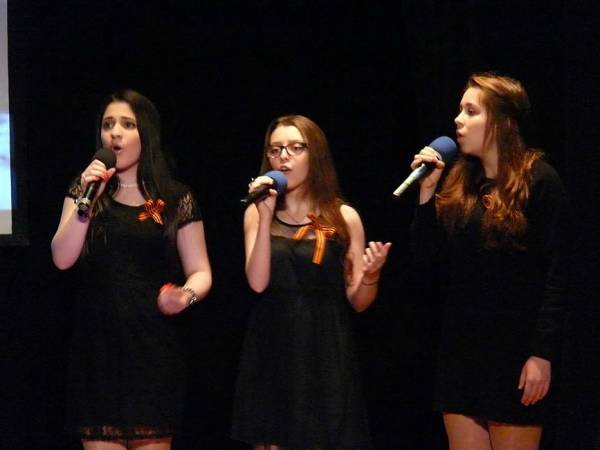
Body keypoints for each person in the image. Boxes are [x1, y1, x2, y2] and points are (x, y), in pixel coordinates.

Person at [410, 73, 569, 450]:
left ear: (501, 121)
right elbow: (426, 261)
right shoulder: (460, 182)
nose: (458, 120)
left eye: (471, 111)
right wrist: (427, 191)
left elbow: (559, 275)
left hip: (515, 354)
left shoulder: (540, 181)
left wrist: (542, 354)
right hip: (462, 353)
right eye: (459, 110)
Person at [51, 90, 212, 450]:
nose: (115, 133)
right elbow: (62, 258)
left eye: (127, 124)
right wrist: (87, 199)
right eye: (108, 124)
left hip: (153, 347)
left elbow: (201, 271)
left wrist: (185, 296)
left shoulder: (175, 198)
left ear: (146, 134)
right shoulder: (84, 190)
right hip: (97, 347)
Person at [231, 115, 391, 450]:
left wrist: (371, 275)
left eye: (295, 148)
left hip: (326, 346)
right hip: (274, 345)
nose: (283, 157)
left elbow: (358, 300)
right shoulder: (257, 213)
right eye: (275, 149)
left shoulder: (344, 216)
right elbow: (257, 282)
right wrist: (265, 215)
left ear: (314, 153)